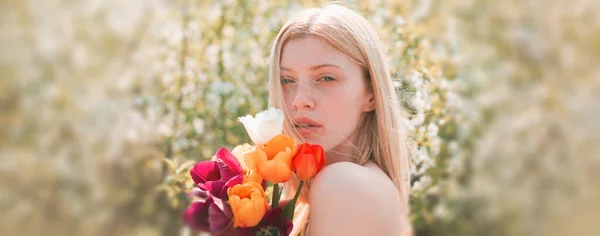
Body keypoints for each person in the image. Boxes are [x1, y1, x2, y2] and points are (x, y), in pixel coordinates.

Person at [266, 3, 413, 236]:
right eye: (287, 80)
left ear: (371, 94)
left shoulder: (342, 184)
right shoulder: (313, 198)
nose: (299, 100)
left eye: (326, 78)